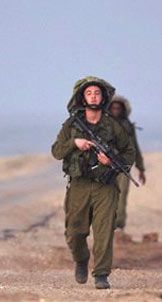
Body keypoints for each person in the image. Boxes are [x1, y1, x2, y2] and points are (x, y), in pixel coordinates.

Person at [51, 76, 135, 289]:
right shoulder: (72, 125)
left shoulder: (113, 126)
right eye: (89, 93)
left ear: (103, 97)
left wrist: (111, 162)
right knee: (74, 232)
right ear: (82, 97)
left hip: (105, 187)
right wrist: (74, 142)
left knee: (104, 231)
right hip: (79, 184)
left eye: (97, 93)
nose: (93, 96)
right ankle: (81, 260)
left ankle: (101, 274)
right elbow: (56, 151)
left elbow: (129, 152)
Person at [108, 95, 146, 231]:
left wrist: (141, 168)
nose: (116, 110)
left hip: (123, 167)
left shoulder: (128, 126)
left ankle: (119, 225)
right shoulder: (104, 125)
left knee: (121, 196)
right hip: (105, 166)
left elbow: (135, 147)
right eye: (113, 107)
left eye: (118, 108)